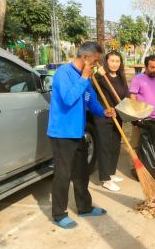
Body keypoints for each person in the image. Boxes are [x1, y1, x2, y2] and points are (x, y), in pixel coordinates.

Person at [47, 41, 115, 229]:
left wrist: (103, 111)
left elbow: (90, 101)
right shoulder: (64, 74)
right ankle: (59, 214)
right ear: (85, 58)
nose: (97, 66)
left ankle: (84, 207)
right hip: (62, 133)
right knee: (63, 174)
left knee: (81, 173)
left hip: (78, 132)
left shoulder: (85, 78)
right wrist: (84, 78)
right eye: (95, 62)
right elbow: (69, 99)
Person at [94, 50, 129, 191]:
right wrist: (99, 74)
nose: (114, 64)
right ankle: (105, 179)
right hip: (103, 116)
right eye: (112, 61)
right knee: (104, 147)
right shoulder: (100, 76)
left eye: (117, 61)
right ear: (106, 62)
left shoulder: (120, 77)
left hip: (117, 116)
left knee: (115, 145)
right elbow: (95, 93)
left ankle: (111, 173)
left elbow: (124, 95)